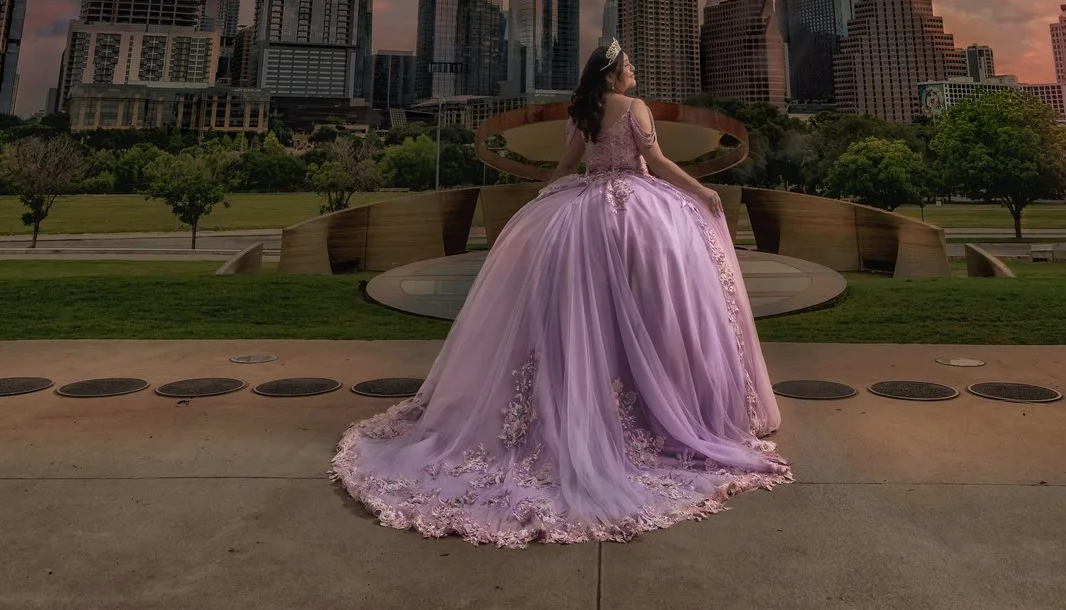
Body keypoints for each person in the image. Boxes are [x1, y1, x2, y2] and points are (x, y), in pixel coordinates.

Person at [333, 40, 789, 545]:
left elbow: (566, 168)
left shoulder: (583, 112)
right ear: (613, 76)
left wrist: (540, 202)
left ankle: (602, 394)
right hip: (639, 214)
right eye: (628, 66)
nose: (634, 70)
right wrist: (699, 192)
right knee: (654, 301)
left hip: (585, 213)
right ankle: (659, 399)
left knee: (584, 309)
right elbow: (655, 161)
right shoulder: (635, 108)